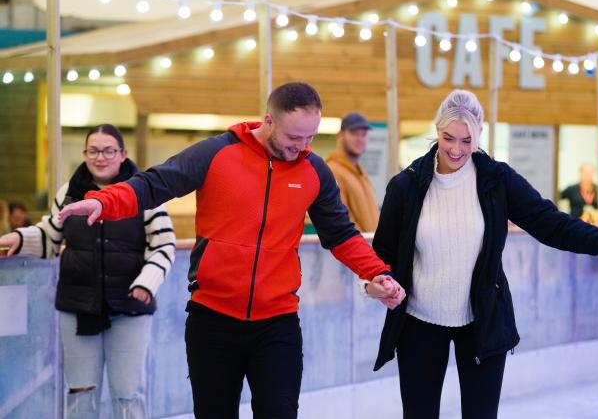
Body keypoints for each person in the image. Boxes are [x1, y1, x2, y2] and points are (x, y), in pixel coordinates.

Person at [58, 82, 405, 419]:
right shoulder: (216, 153)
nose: (300, 146)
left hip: (277, 322)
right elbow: (155, 184)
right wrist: (104, 201)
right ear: (268, 120)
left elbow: (341, 233)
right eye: (292, 137)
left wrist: (378, 272)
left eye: (309, 137)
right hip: (213, 320)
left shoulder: (314, 170)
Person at [371, 90, 598, 419]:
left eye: (466, 140)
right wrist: (377, 282)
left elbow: (549, 222)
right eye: (448, 138)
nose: (456, 150)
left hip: (482, 321)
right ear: (437, 130)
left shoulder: (496, 181)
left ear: (480, 135)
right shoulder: (407, 185)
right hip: (419, 323)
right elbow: (383, 252)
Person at [0, 124, 176, 418]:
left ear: (122, 154)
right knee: (80, 391)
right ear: (84, 154)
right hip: (78, 306)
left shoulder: (143, 192)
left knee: (128, 392)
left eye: (108, 150)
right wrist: (18, 238)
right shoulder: (69, 193)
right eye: (93, 150)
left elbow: (164, 244)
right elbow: (51, 236)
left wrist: (147, 282)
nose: (100, 157)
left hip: (129, 307)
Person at [326, 112, 380, 232]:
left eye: (364, 134)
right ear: (340, 135)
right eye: (354, 133)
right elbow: (341, 220)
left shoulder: (360, 173)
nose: (359, 139)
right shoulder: (333, 171)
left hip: (371, 246)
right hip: (360, 247)